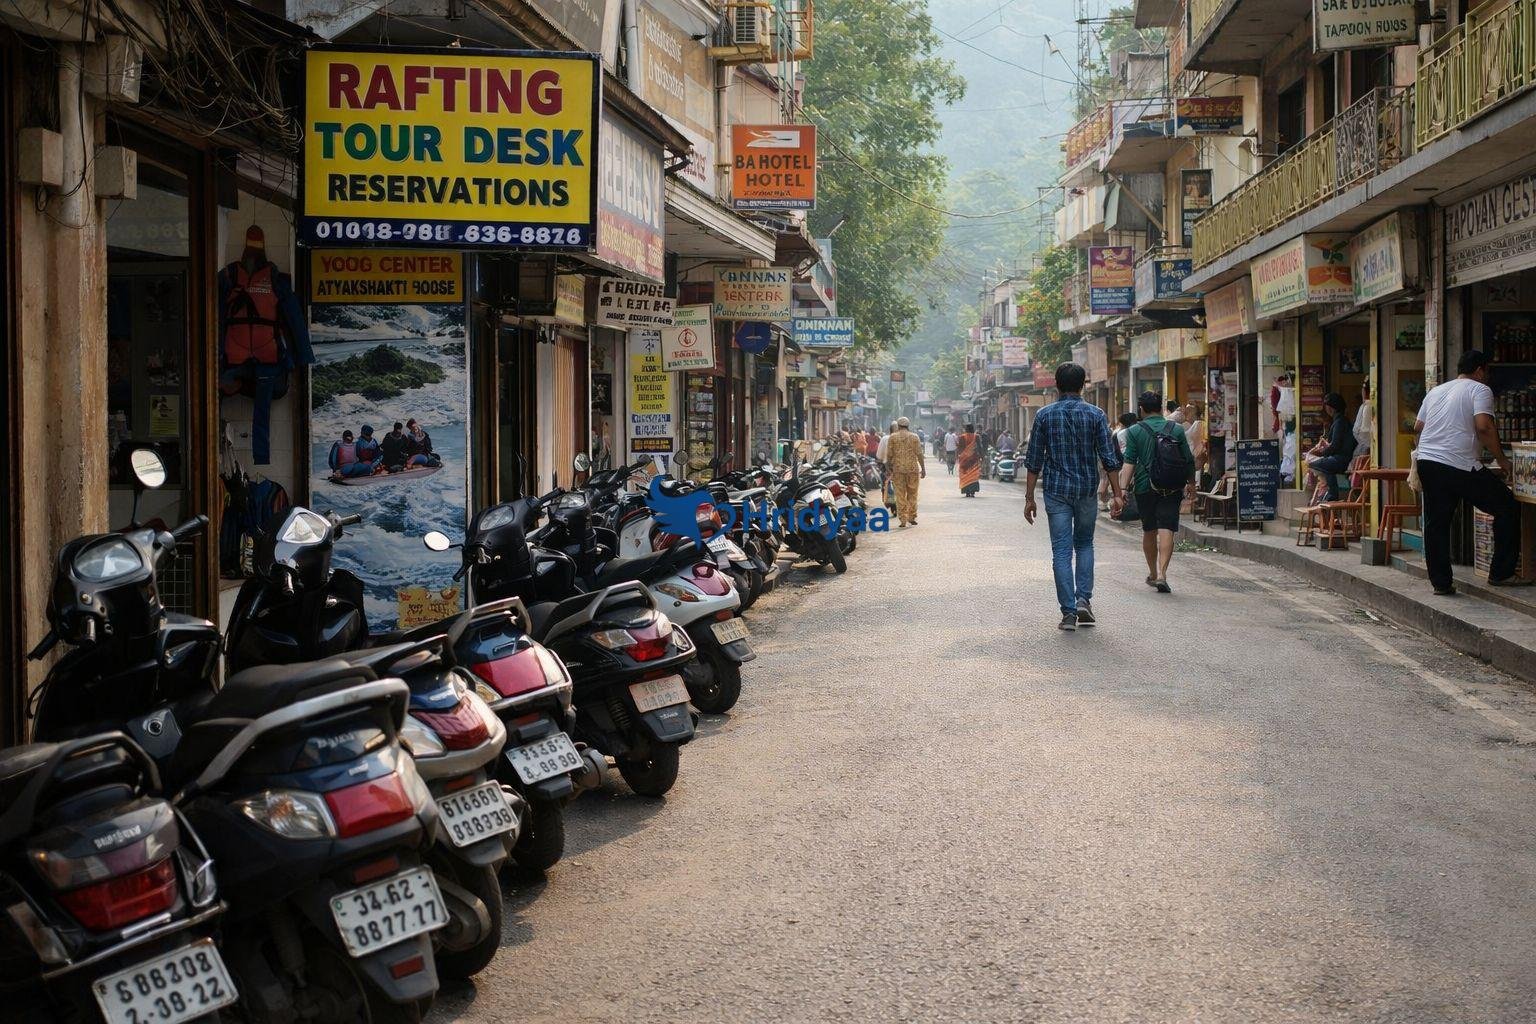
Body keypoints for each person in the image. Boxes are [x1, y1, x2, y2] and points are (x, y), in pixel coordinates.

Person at [1022, 363, 1125, 631]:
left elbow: (1034, 461)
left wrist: (1029, 497)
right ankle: (1083, 600)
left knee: (1061, 551)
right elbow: (1108, 458)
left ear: (1056, 385)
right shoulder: (1096, 415)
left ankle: (1068, 613)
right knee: (1085, 545)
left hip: (1057, 492)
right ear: (1082, 386)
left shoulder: (1044, 416)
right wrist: (1117, 494)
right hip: (1086, 491)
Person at [1415, 349, 1526, 594]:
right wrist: (1502, 461)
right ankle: (1501, 573)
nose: (1487, 377)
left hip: (1428, 461)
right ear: (1479, 370)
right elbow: (1484, 427)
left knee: (1437, 523)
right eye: (1487, 371)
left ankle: (1441, 584)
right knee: (1507, 506)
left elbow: (1418, 425)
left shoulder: (1437, 391)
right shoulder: (1480, 390)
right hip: (1458, 464)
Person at [1119, 391, 1196, 594]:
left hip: (1145, 487)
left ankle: (1153, 573)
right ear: (1161, 408)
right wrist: (1192, 484)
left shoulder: (1134, 431)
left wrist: (1123, 490)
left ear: (1141, 409)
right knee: (1167, 527)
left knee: (1149, 529)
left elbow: (1129, 463)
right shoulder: (1176, 429)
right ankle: (1163, 573)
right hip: (1172, 485)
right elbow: (1188, 460)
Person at [1304, 393, 1354, 499]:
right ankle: (1330, 492)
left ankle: (1332, 494)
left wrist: (1322, 452)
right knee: (1325, 467)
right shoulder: (1341, 421)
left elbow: (1335, 446)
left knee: (1314, 464)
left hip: (1340, 459)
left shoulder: (1339, 422)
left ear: (1330, 408)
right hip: (1342, 458)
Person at [885, 417, 926, 527]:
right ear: (908, 426)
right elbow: (919, 454)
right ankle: (912, 516)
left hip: (898, 470)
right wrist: (923, 468)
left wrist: (888, 467)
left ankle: (903, 518)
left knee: (900, 494)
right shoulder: (914, 437)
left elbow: (889, 454)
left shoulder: (893, 437)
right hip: (912, 469)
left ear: (898, 426)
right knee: (912, 493)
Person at [956, 424, 984, 496]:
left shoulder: (962, 437)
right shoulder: (976, 436)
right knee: (973, 475)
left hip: (964, 460)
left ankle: (967, 492)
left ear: (965, 429)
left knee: (965, 475)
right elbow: (980, 447)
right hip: (974, 460)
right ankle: (972, 492)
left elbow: (959, 448)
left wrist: (958, 457)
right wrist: (982, 457)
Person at [1353, 379, 1375, 459]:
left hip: (1367, 448)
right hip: (1365, 447)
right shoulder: (1366, 406)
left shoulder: (1367, 406)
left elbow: (1365, 434)